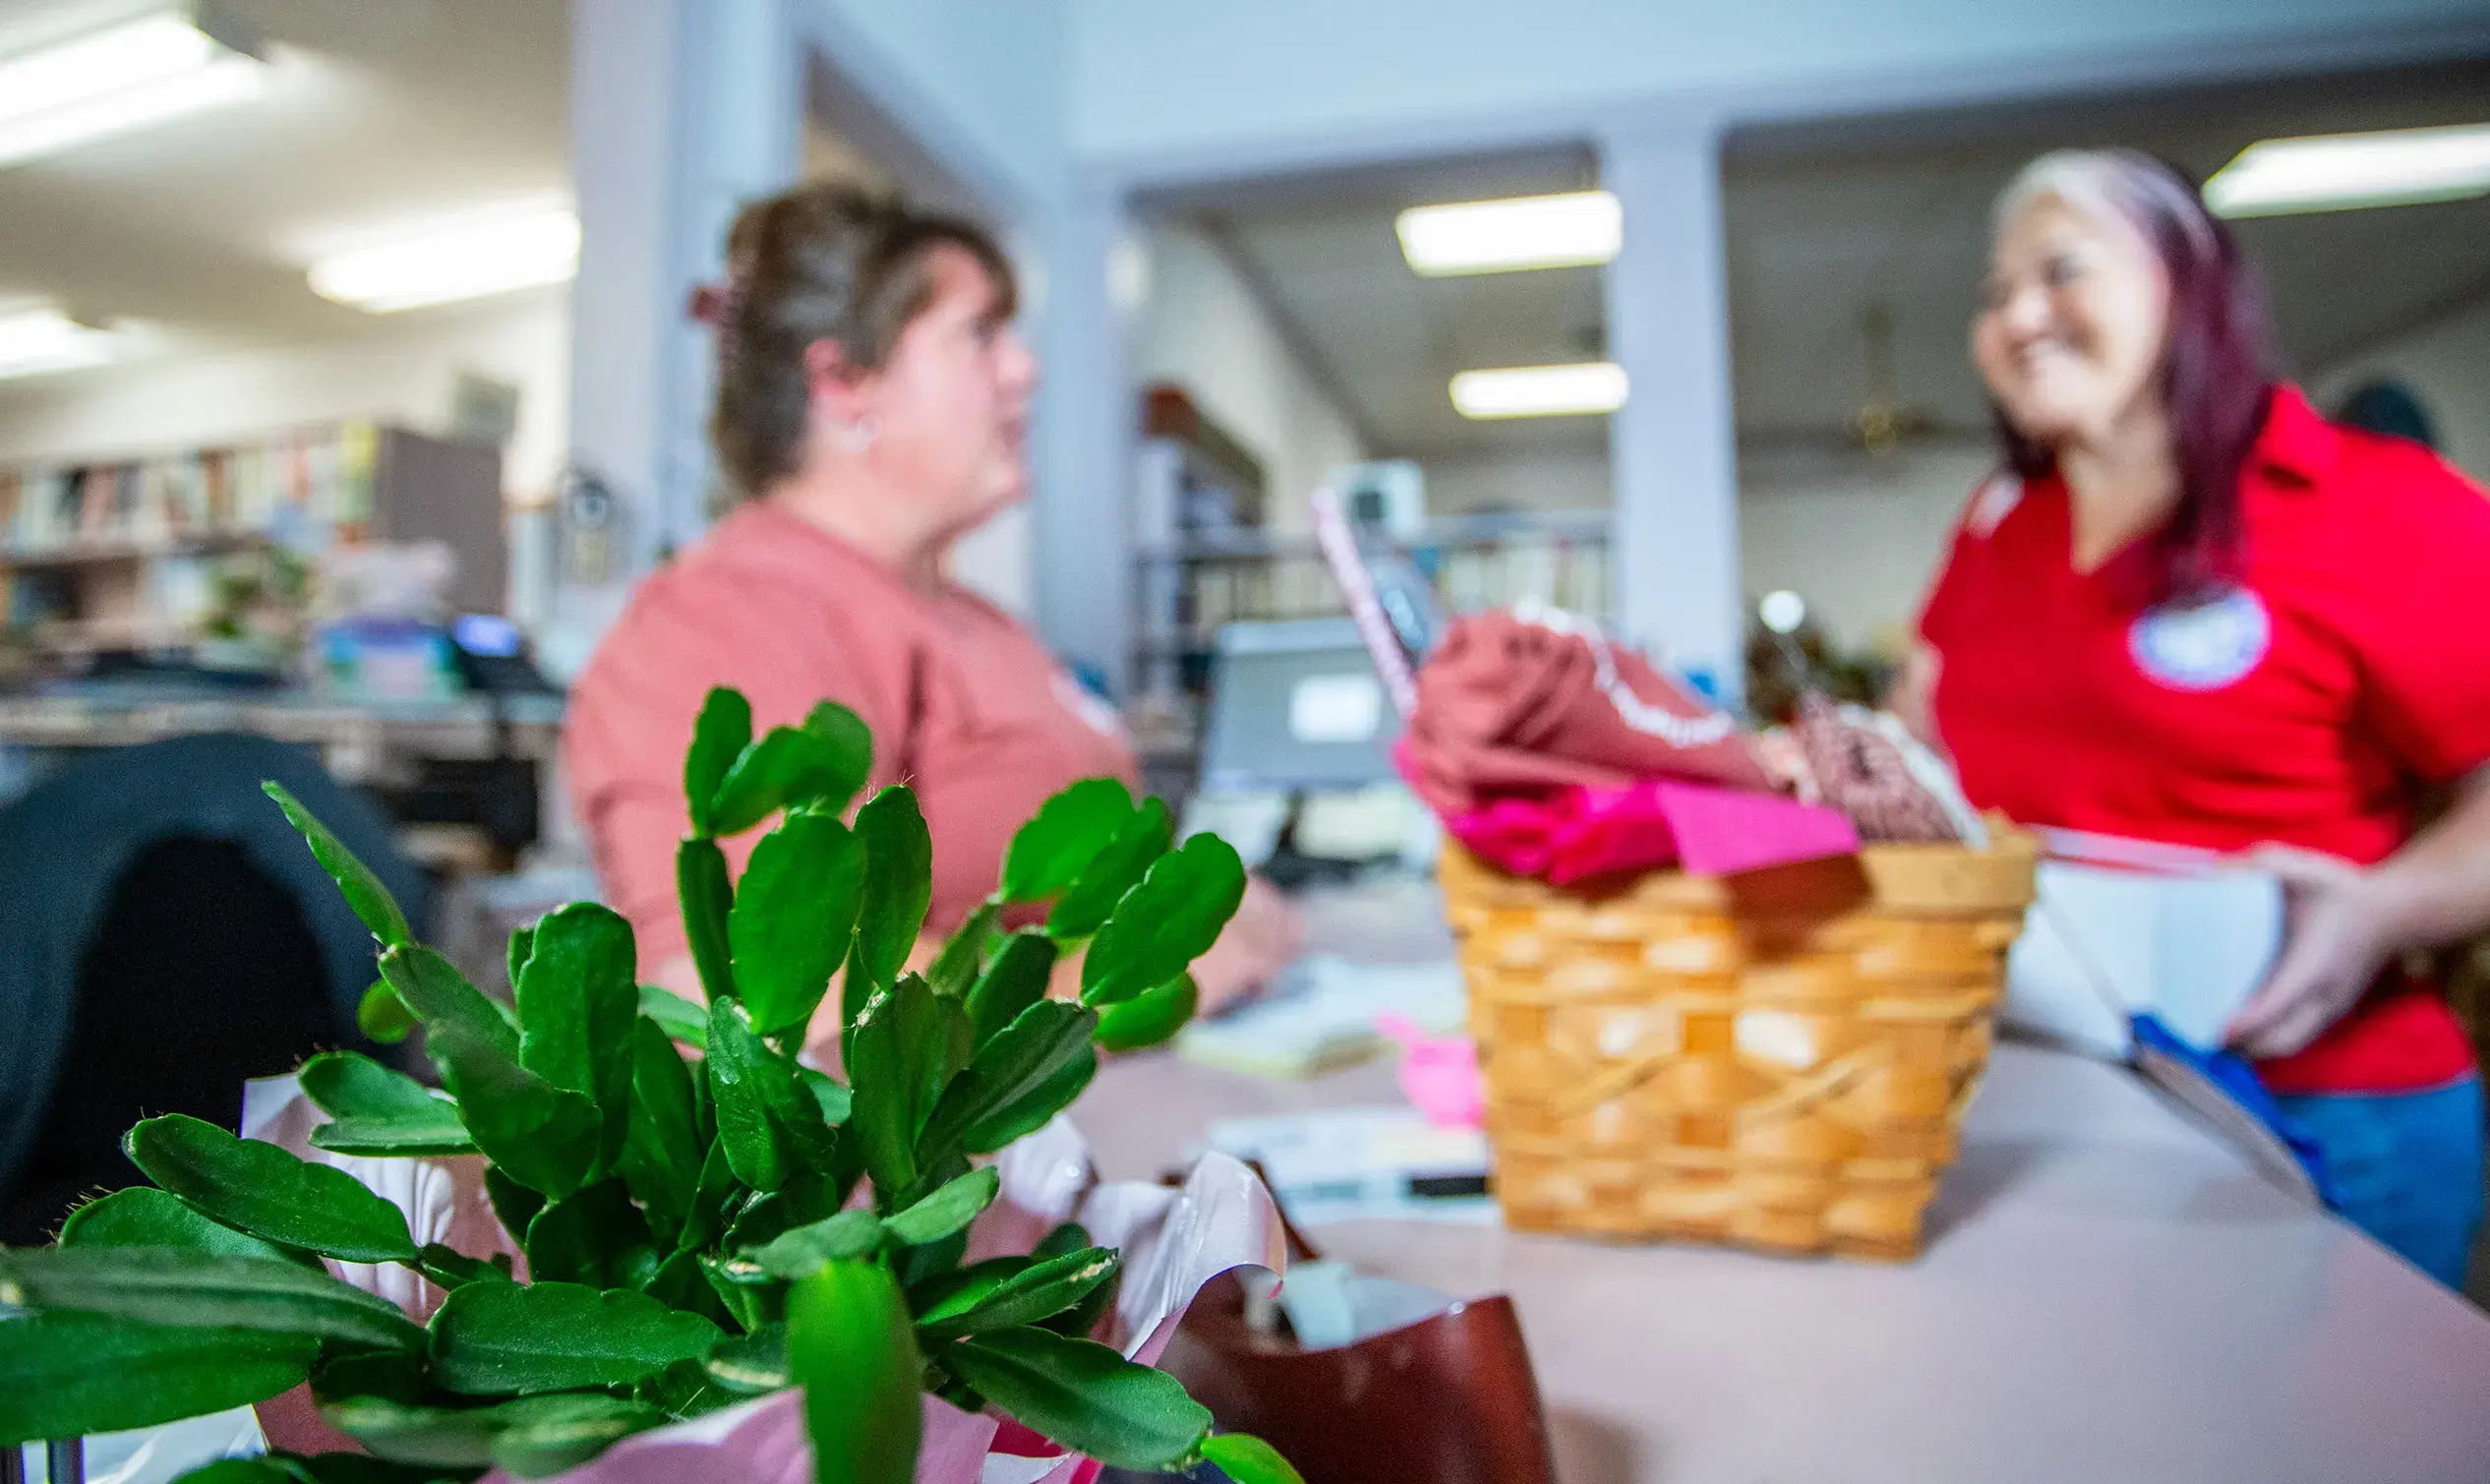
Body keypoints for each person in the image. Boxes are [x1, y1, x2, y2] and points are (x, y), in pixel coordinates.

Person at [1897, 148, 2490, 1288]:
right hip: (2060, 1096)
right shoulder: (1998, 521)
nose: (2018, 316)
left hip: (2321, 1108)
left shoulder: (2373, 506)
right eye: (1994, 293)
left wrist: (2388, 908)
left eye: (2061, 271)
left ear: (2186, 284)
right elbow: (1923, 729)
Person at [565, 185, 1298, 1045]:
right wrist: (1133, 978)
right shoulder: (734, 610)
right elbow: (746, 988)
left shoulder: (977, 619)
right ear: (844, 382)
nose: (1023, 369)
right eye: (978, 335)